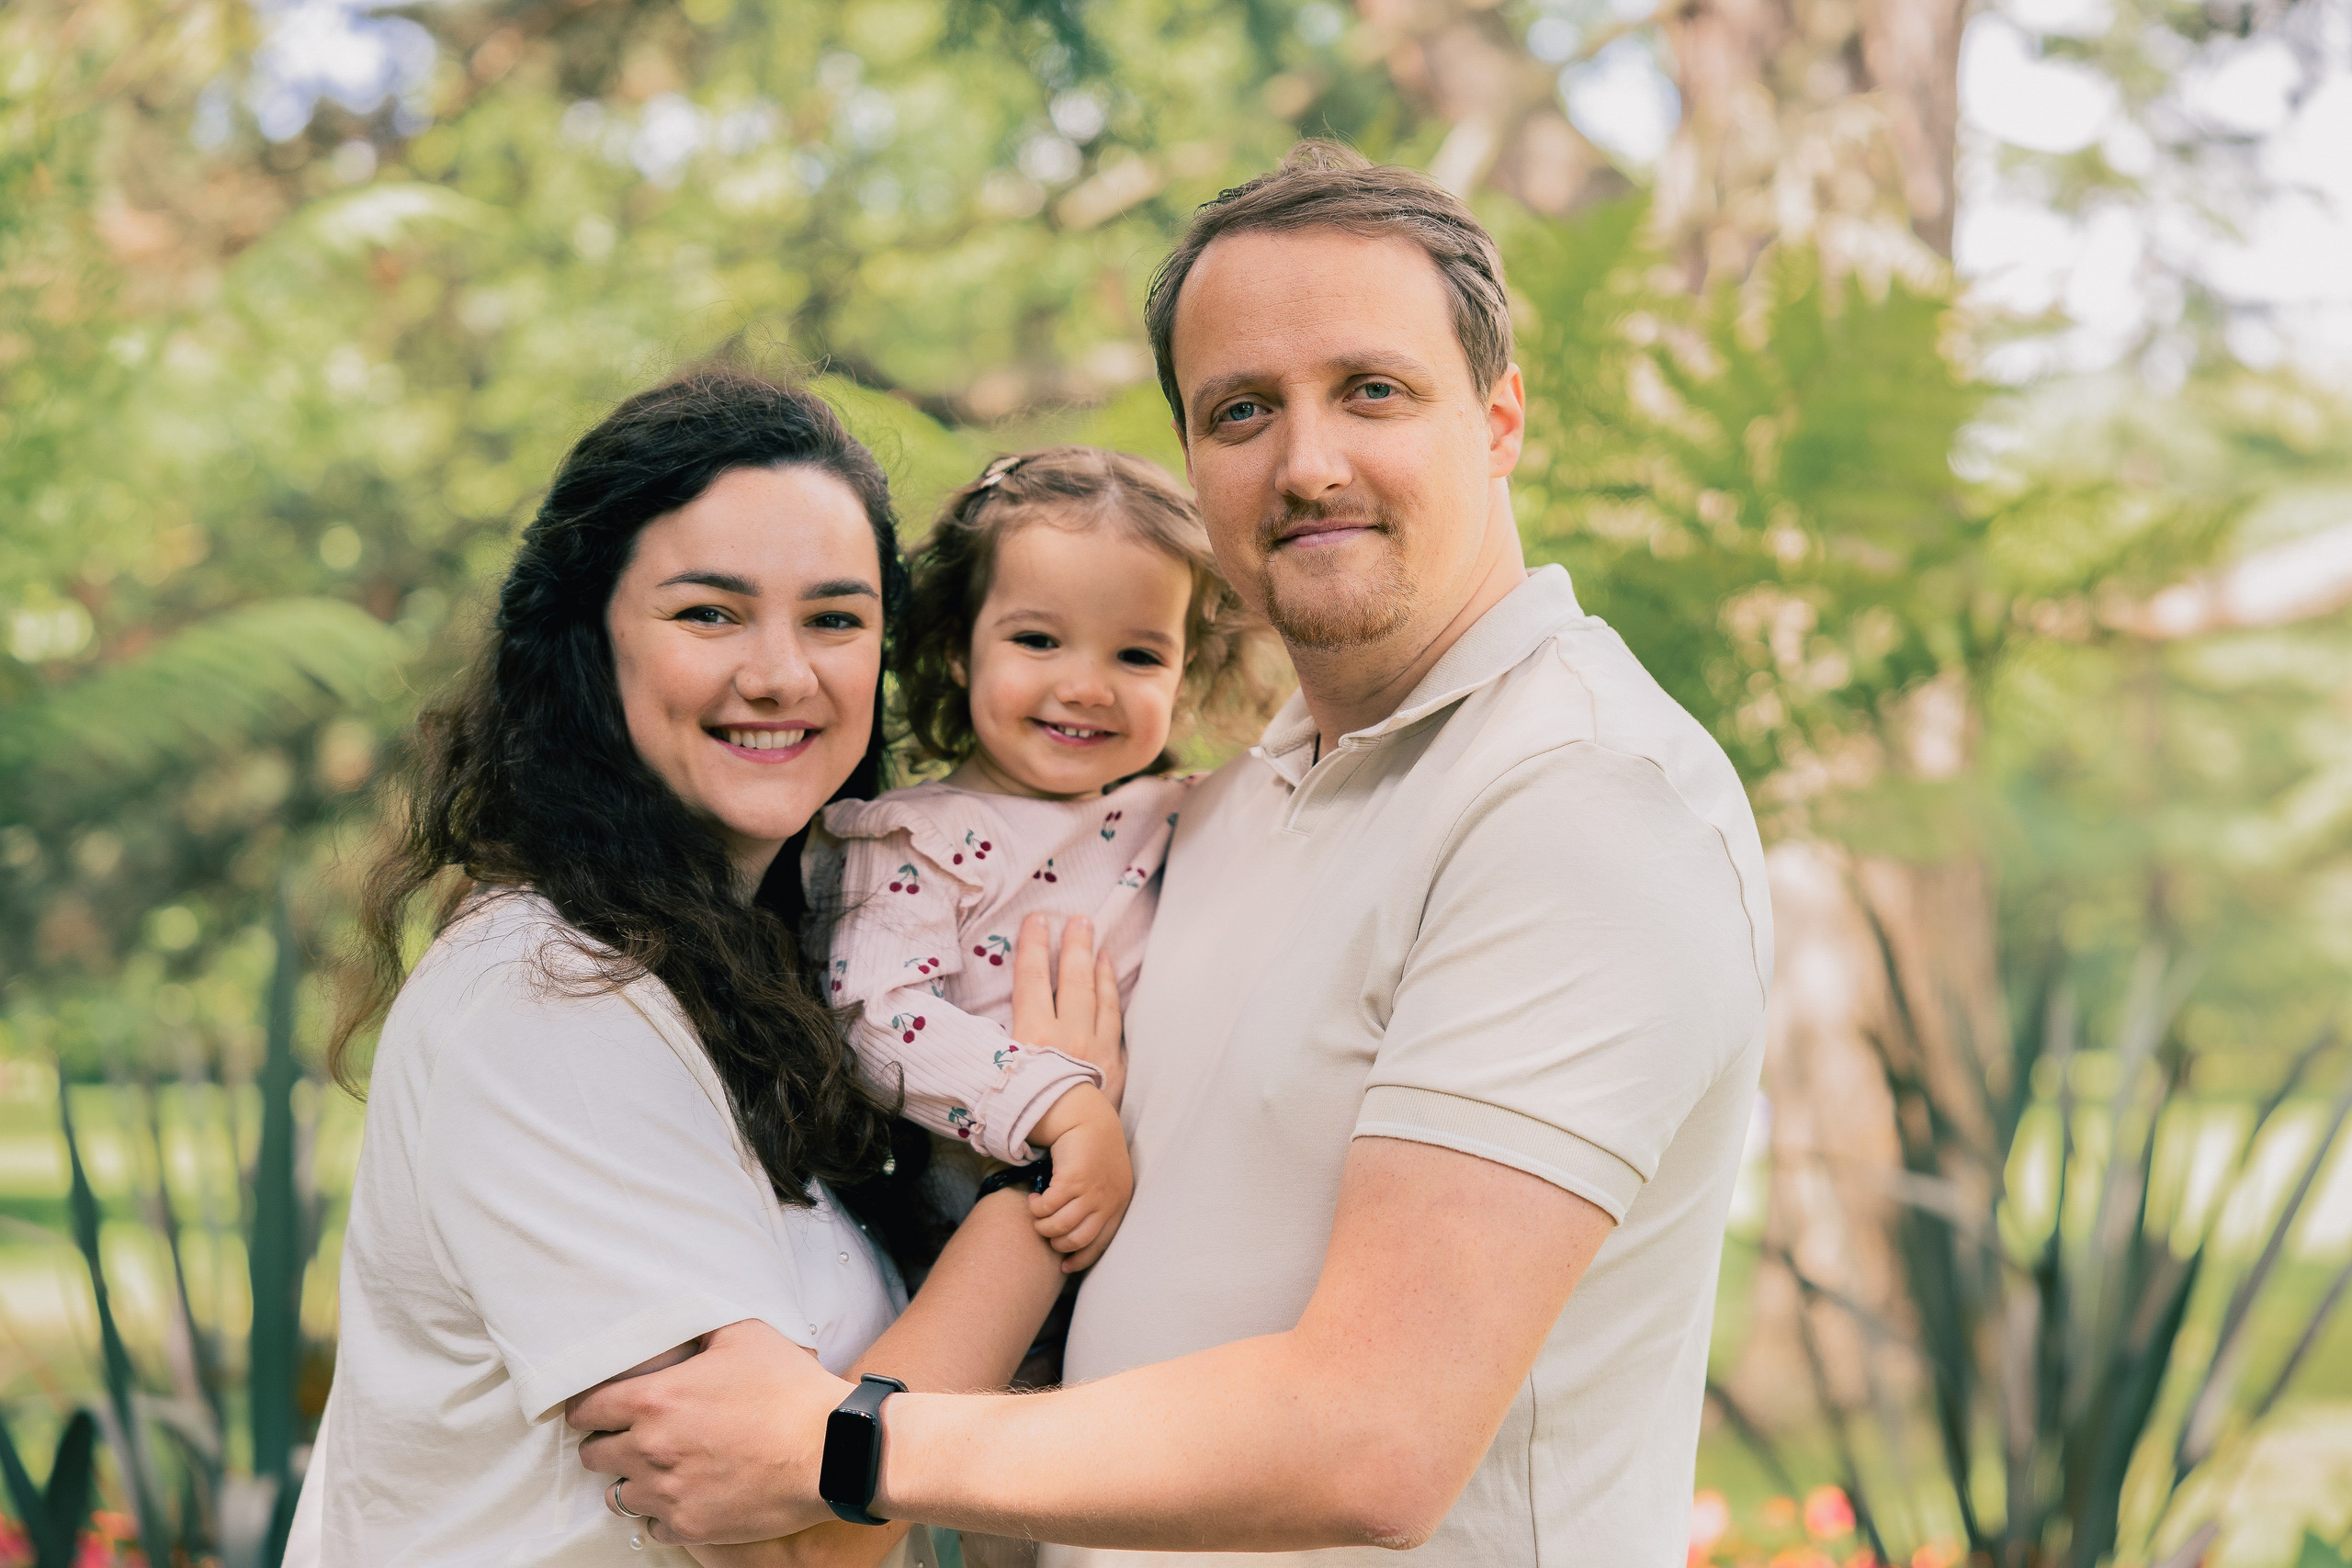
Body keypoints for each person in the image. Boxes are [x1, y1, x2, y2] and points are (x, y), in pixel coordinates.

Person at [570, 143, 1774, 1568]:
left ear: (1500, 416)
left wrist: (840, 1440)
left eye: (1371, 390)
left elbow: (1372, 1437)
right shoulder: (1229, 799)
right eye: (1243, 409)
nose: (1307, 460)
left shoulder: (1577, 801)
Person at [290, 367, 1102, 1567]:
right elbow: (800, 1544)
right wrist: (1057, 1160)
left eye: (834, 618)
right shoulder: (551, 991)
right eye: (709, 612)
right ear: (585, 643)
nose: (780, 673)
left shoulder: (765, 980)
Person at [811, 446, 1267, 1279]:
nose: (1088, 686)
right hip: (967, 1265)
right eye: (1038, 639)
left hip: (1144, 1271)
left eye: (1138, 656)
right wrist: (1060, 1104)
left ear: (1185, 672)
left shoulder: (1183, 811)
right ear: (958, 647)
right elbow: (873, 1018)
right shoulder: (919, 839)